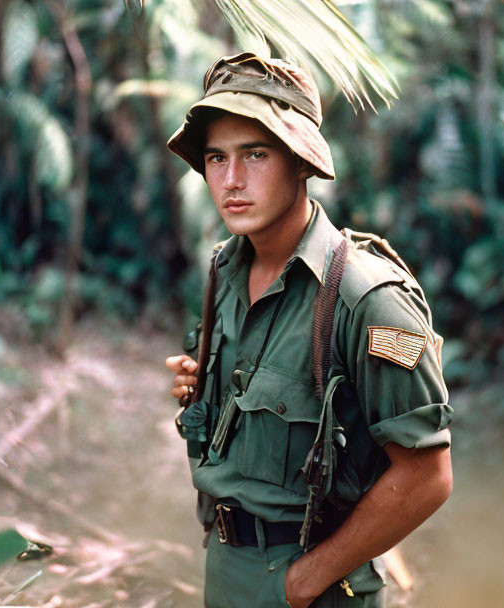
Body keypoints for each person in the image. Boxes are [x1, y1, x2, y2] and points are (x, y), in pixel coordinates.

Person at [164, 52, 453, 608]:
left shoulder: (365, 299)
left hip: (315, 584)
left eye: (255, 154)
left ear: (300, 161)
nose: (231, 180)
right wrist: (203, 389)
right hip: (225, 566)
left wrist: (303, 581)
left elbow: (427, 477)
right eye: (216, 158)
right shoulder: (225, 271)